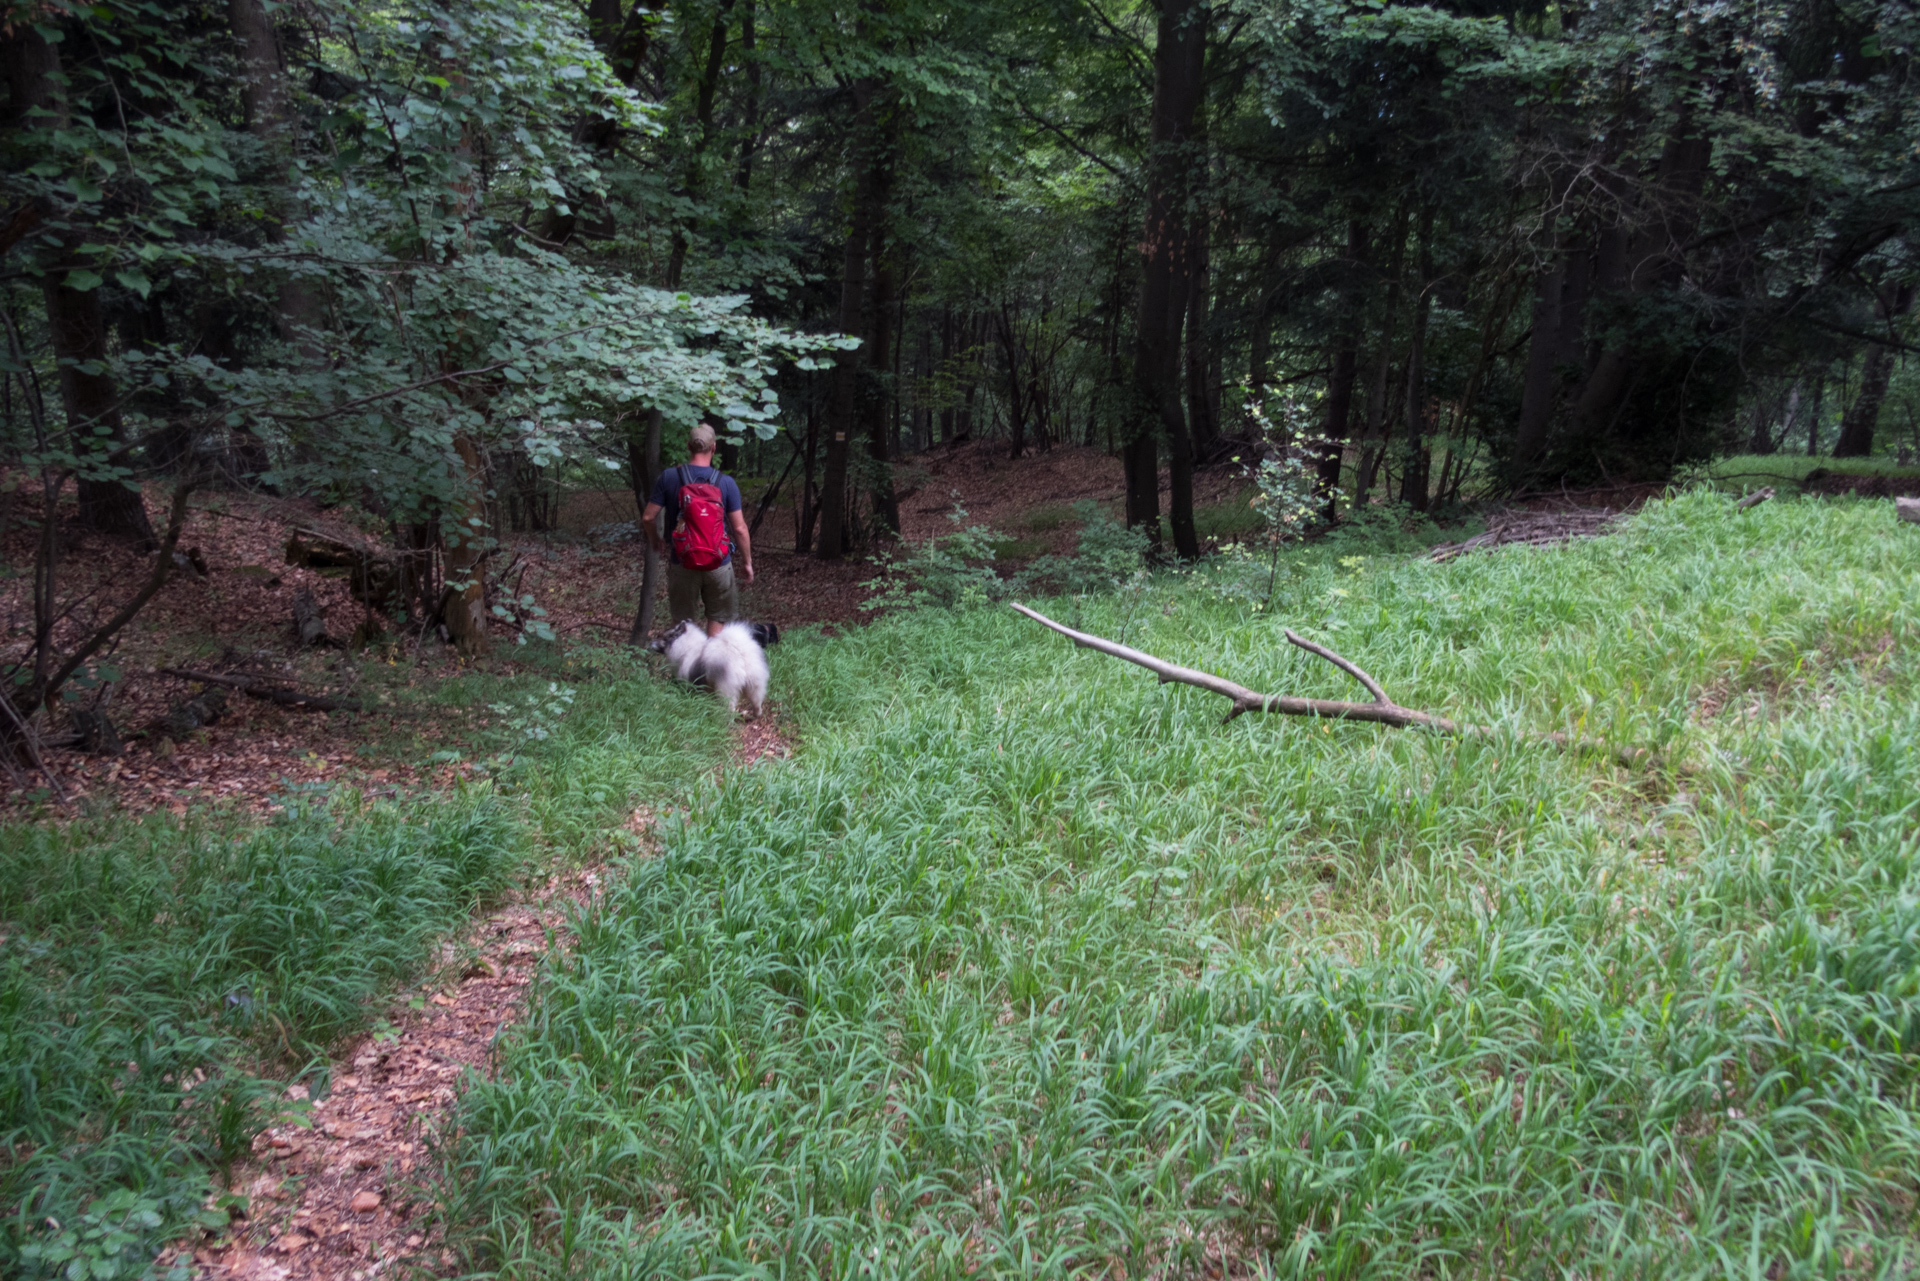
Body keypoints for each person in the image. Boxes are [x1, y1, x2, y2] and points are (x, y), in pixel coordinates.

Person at [641, 421, 755, 638]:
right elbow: (739, 528)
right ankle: (710, 671)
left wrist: (655, 539)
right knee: (719, 622)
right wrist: (747, 562)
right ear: (714, 448)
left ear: (688, 446)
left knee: (683, 625)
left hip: (682, 562)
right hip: (718, 565)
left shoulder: (669, 478)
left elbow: (648, 517)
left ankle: (688, 670)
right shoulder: (727, 483)